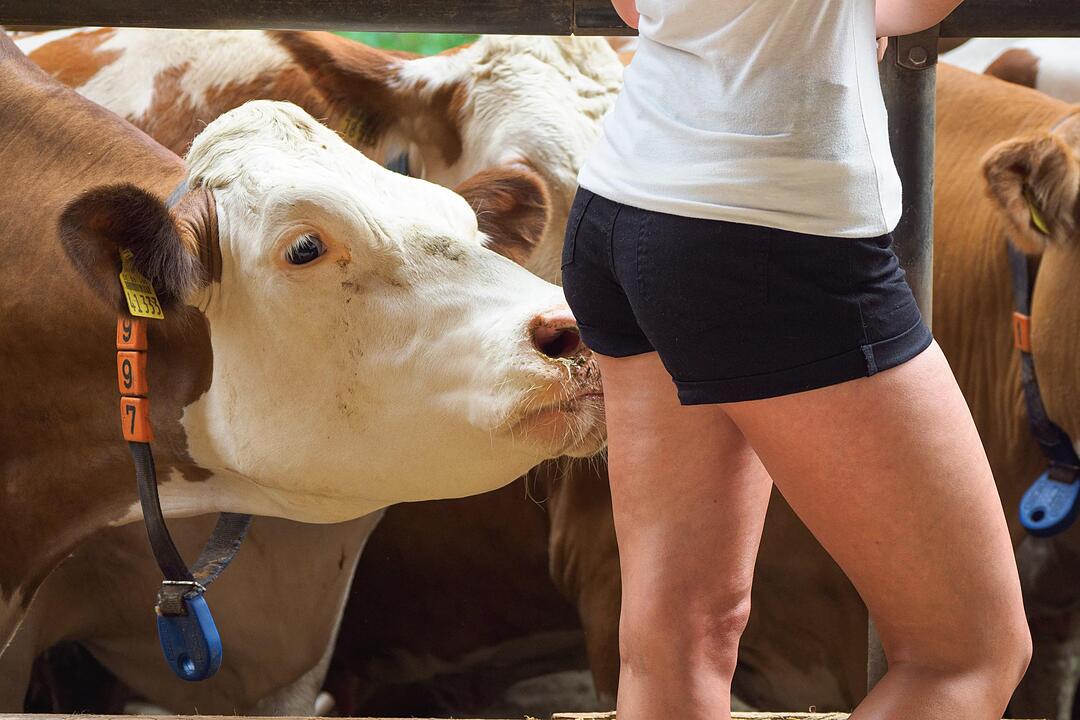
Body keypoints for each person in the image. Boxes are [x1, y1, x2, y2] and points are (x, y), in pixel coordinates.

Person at [560, 1, 1033, 718]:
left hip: (625, 207)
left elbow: (634, 6)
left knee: (679, 638)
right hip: (776, 225)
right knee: (967, 655)